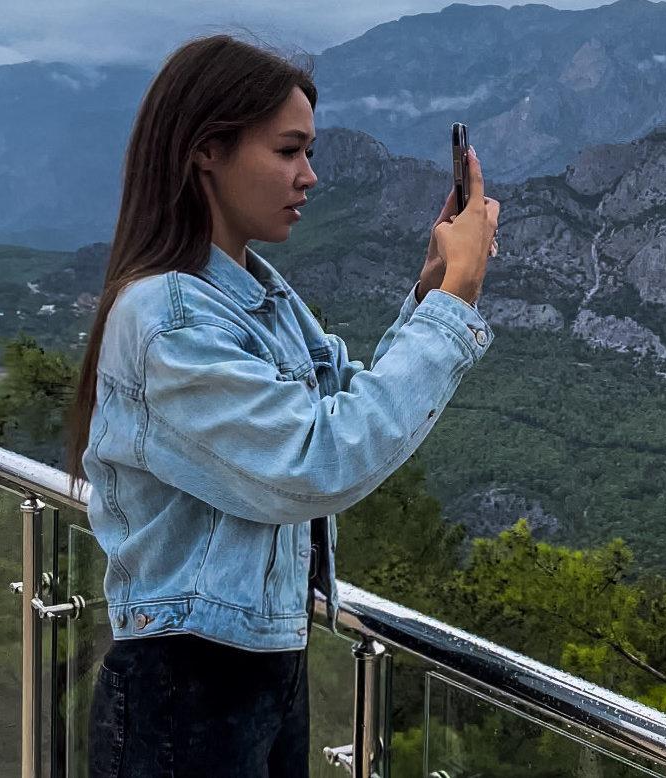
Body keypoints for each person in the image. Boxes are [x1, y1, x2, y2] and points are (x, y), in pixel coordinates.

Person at [61, 34, 500, 777]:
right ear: (207, 152)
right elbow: (315, 462)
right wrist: (452, 309)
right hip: (186, 688)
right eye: (289, 150)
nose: (311, 176)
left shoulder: (258, 297)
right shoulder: (170, 318)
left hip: (258, 671)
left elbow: (340, 403)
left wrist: (431, 291)